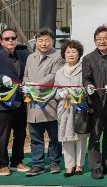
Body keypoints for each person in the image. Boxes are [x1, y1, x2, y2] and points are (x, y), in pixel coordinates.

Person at [23, 27, 64, 176]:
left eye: (47, 40)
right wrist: (26, 85)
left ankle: (54, 162)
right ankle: (37, 164)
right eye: (40, 40)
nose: (44, 43)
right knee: (35, 138)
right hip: (33, 104)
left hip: (50, 103)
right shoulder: (30, 57)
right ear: (36, 41)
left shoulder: (58, 56)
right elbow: (26, 75)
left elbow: (54, 75)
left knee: (54, 137)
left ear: (52, 41)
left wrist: (37, 85)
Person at [82, 25, 107, 179]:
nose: (102, 41)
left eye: (105, 38)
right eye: (99, 39)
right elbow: (86, 79)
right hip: (96, 103)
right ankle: (96, 166)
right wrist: (89, 86)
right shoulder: (88, 58)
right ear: (94, 41)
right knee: (95, 136)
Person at [54, 40, 88, 177]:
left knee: (80, 137)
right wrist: (60, 94)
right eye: (68, 52)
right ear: (64, 54)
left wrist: (77, 93)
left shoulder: (84, 69)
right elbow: (55, 91)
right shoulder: (59, 72)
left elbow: (87, 88)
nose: (71, 54)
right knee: (66, 137)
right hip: (64, 108)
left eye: (74, 51)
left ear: (79, 54)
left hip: (79, 107)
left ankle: (79, 165)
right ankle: (69, 166)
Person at [0, 27, 29, 176]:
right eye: (7, 39)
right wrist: (1, 78)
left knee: (20, 133)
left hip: (21, 100)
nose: (10, 41)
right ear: (1, 41)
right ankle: (2, 164)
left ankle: (17, 161)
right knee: (2, 135)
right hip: (3, 102)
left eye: (13, 38)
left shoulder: (24, 54)